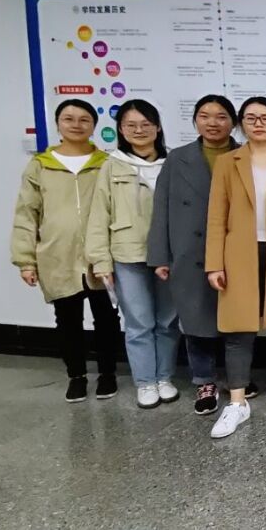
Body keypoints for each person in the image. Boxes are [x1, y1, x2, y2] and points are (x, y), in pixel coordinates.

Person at [206, 96, 266, 438]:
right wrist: (214, 263)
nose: (259, 123)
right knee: (238, 326)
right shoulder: (227, 162)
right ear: (241, 124)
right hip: (239, 252)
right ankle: (237, 401)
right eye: (251, 118)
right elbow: (216, 216)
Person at [12, 99, 120, 403]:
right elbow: (26, 214)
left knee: (107, 319)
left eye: (84, 119)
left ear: (94, 125)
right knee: (68, 320)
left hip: (101, 255)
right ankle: (76, 376)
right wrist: (25, 260)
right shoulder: (40, 165)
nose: (76, 125)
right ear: (58, 124)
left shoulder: (106, 163)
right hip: (57, 255)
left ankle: (108, 374)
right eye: (69, 119)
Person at [148, 95, 248, 415]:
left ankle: (236, 378)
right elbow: (161, 208)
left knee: (234, 318)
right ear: (195, 120)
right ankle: (204, 380)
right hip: (189, 250)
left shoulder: (244, 155)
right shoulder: (177, 159)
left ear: (233, 122)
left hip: (234, 249)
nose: (212, 123)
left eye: (221, 116)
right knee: (195, 317)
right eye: (204, 116)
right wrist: (160, 255)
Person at [86, 99, 178, 409]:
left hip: (167, 254)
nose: (139, 130)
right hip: (127, 255)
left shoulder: (173, 163)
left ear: (158, 128)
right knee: (139, 322)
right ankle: (145, 382)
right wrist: (100, 260)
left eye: (146, 124)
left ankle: (164, 378)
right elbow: (98, 216)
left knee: (167, 321)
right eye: (131, 125)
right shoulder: (112, 165)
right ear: (121, 130)